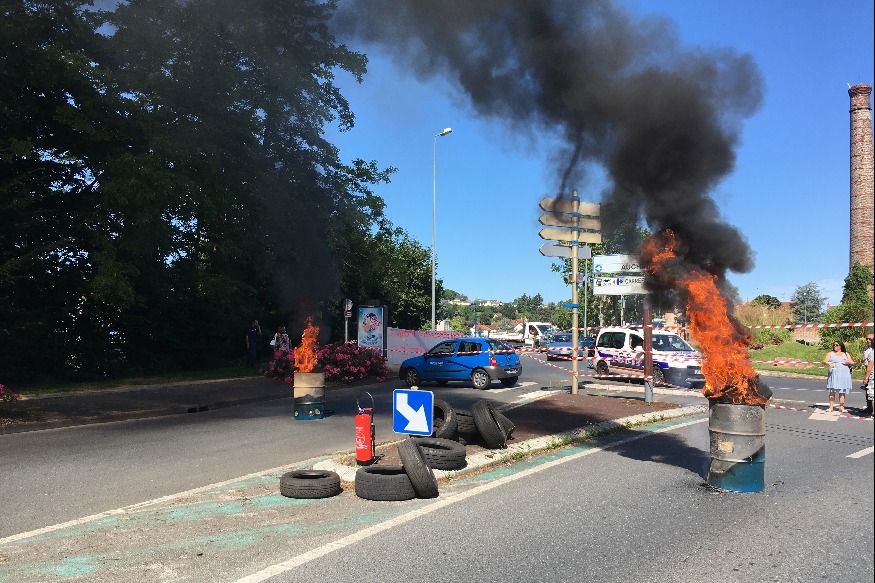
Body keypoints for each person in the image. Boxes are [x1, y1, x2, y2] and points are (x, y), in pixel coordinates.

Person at [821, 340, 853, 413]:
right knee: (832, 391)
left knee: (842, 391)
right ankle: (831, 407)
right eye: (834, 345)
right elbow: (824, 361)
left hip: (844, 374)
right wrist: (829, 364)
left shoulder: (846, 354)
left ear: (840, 346)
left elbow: (851, 362)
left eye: (837, 345)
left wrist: (847, 362)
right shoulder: (830, 353)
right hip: (834, 374)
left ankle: (841, 407)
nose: (835, 346)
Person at [862, 333, 874, 417]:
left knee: (871, 392)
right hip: (867, 369)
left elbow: (870, 364)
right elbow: (864, 359)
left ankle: (871, 410)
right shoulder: (866, 348)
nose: (868, 340)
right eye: (867, 339)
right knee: (868, 391)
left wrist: (866, 377)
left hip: (871, 371)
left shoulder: (872, 352)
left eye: (870, 339)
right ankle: (869, 408)